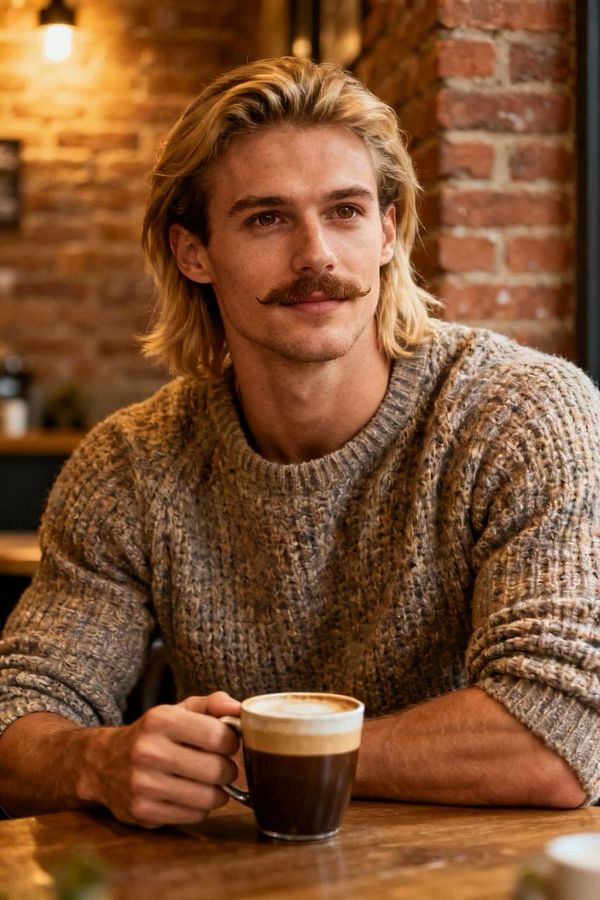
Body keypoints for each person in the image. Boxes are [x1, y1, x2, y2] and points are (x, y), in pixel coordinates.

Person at [0, 56, 599, 827]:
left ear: (388, 231)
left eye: (346, 211)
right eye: (267, 218)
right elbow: (20, 715)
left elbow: (562, 733)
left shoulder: (520, 414)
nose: (316, 254)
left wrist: (257, 755)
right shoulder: (131, 467)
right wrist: (94, 760)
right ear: (195, 253)